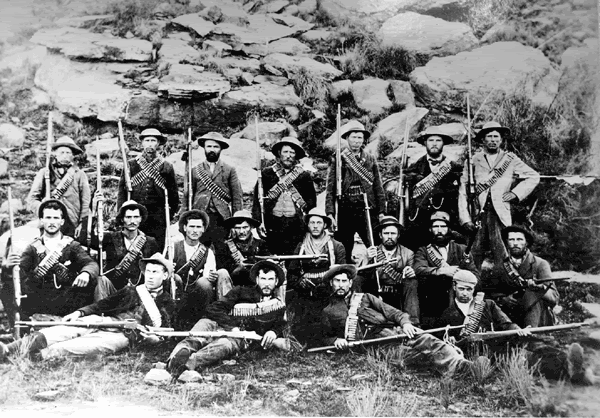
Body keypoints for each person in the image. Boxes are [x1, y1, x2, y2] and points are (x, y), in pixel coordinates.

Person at [0, 253, 176, 361]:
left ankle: (32, 357)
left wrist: (151, 337)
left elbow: (164, 332)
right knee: (64, 330)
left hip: (125, 336)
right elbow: (103, 304)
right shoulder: (131, 290)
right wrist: (79, 313)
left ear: (166, 275)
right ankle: (9, 349)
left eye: (155, 272)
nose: (150, 276)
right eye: (148, 271)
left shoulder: (168, 302)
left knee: (78, 346)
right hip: (106, 320)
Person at [439, 270, 594, 385]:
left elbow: (505, 323)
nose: (465, 293)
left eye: (469, 289)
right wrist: (451, 341)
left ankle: (571, 365)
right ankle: (573, 373)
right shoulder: (447, 314)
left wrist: (517, 329)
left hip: (498, 346)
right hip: (476, 355)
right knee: (528, 363)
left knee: (537, 350)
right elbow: (446, 342)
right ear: (454, 286)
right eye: (461, 289)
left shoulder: (487, 304)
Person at [320, 264, 470, 375]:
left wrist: (405, 324)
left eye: (344, 281)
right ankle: (457, 368)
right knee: (412, 357)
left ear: (350, 283)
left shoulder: (365, 298)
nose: (341, 285)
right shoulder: (328, 311)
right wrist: (335, 341)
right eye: (337, 281)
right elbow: (325, 337)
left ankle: (464, 366)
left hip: (396, 330)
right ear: (331, 283)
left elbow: (394, 313)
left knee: (430, 342)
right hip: (377, 345)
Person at [166, 260, 289, 377]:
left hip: (238, 338)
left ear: (276, 281)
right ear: (257, 279)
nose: (266, 284)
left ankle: (187, 365)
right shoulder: (241, 291)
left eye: (270, 279)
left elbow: (280, 324)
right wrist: (232, 327)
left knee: (223, 346)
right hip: (215, 323)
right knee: (195, 337)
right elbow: (214, 308)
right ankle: (173, 360)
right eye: (263, 279)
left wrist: (273, 332)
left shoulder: (277, 305)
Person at [458, 121, 539, 270]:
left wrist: (515, 193)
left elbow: (533, 176)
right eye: (489, 136)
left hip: (500, 212)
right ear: (483, 139)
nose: (493, 140)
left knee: (502, 250)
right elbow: (463, 189)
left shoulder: (510, 159)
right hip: (478, 212)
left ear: (501, 140)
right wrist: (465, 218)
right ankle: (471, 285)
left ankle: (504, 285)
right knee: (475, 250)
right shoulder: (473, 160)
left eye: (496, 136)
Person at [11, 200, 99, 319]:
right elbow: (20, 273)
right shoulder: (32, 248)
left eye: (56, 218)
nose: (52, 222)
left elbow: (90, 263)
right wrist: (9, 266)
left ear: (62, 221)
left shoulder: (71, 245)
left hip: (67, 301)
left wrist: (86, 273)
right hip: (42, 301)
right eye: (48, 217)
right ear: (42, 220)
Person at [325, 120, 386, 263]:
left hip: (366, 207)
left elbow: (377, 185)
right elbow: (330, 188)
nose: (357, 141)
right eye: (354, 137)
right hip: (345, 208)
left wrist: (382, 210)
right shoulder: (338, 158)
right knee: (344, 246)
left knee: (374, 243)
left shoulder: (370, 159)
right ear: (347, 138)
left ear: (364, 140)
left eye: (360, 137)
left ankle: (376, 273)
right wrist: (330, 213)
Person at [414, 211, 479, 328]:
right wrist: (441, 271)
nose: (439, 230)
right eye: (435, 227)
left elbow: (475, 275)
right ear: (430, 230)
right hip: (433, 297)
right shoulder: (423, 251)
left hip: (458, 296)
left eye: (443, 226)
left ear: (449, 229)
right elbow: (419, 269)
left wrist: (460, 274)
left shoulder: (462, 250)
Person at [117, 128, 179, 249]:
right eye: (147, 140)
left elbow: (173, 195)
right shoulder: (131, 164)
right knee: (133, 246)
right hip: (135, 213)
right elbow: (122, 192)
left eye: (153, 140)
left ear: (158, 143)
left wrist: (168, 215)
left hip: (158, 216)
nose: (150, 143)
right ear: (142, 143)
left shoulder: (166, 166)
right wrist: (121, 213)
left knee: (156, 247)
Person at [253, 137, 316, 255]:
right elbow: (257, 200)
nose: (289, 155)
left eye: (292, 152)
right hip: (272, 224)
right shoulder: (267, 174)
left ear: (296, 155)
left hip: (296, 225)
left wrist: (310, 223)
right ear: (279, 153)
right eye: (285, 152)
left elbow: (311, 202)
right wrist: (258, 222)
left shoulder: (304, 176)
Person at [403, 126, 463, 251]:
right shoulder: (413, 169)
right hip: (421, 221)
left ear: (443, 144)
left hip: (446, 220)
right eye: (431, 140)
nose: (434, 144)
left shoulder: (454, 168)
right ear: (425, 143)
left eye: (438, 140)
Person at [287, 208, 346, 331]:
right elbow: (292, 273)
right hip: (305, 294)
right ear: (308, 225)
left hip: (329, 293)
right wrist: (300, 283)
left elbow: (343, 273)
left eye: (318, 223)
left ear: (325, 225)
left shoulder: (336, 246)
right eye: (312, 223)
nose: (315, 226)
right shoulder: (301, 246)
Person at [86, 199, 160, 295]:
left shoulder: (150, 242)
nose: (132, 221)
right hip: (114, 292)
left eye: (136, 217)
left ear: (141, 219)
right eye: (128, 217)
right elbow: (88, 240)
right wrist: (94, 211)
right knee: (101, 279)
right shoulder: (110, 238)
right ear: (122, 219)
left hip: (140, 292)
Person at [173, 210, 231, 330]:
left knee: (206, 281)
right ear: (184, 228)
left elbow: (207, 277)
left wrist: (212, 276)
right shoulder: (173, 247)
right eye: (192, 226)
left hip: (198, 296)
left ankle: (221, 317)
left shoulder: (207, 252)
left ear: (203, 229)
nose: (195, 230)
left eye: (198, 227)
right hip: (178, 293)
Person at [494, 225, 559, 328]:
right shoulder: (501, 267)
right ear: (506, 242)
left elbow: (554, 298)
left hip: (536, 317)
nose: (515, 243)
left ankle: (530, 338)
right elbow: (491, 294)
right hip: (511, 316)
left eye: (519, 239)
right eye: (511, 239)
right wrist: (503, 299)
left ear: (526, 242)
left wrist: (539, 288)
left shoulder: (540, 264)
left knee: (531, 296)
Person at [26, 136, 91, 237]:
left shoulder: (80, 174)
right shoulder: (45, 173)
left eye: (68, 153)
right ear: (55, 154)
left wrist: (82, 224)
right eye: (61, 152)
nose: (65, 155)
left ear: (73, 155)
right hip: (49, 221)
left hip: (72, 223)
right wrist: (43, 209)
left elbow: (86, 202)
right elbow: (32, 199)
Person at [187, 132, 243, 248]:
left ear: (221, 149)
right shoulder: (195, 170)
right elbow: (188, 197)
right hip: (200, 217)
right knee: (199, 250)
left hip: (222, 218)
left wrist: (236, 223)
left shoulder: (229, 170)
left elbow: (237, 198)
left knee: (222, 250)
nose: (212, 149)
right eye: (209, 146)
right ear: (204, 148)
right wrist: (185, 218)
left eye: (216, 147)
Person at [363, 215, 419, 324]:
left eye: (393, 233)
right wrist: (367, 259)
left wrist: (409, 271)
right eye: (386, 233)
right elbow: (360, 273)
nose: (389, 237)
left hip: (398, 290)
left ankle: (412, 322)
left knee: (412, 282)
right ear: (380, 235)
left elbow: (412, 272)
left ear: (398, 235)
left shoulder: (408, 253)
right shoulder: (371, 252)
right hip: (375, 290)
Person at [216, 209, 270, 287]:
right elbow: (222, 273)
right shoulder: (225, 246)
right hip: (232, 288)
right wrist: (238, 268)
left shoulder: (261, 244)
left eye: (245, 227)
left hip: (256, 287)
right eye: (238, 228)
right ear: (233, 229)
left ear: (251, 227)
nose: (241, 231)